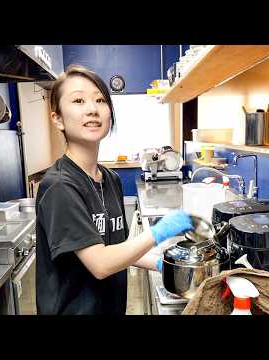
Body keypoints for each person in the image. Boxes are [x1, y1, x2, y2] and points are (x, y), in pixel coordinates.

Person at [35, 64, 193, 315]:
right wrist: (160, 232)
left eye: (100, 100)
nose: (92, 109)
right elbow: (101, 263)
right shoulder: (59, 186)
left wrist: (165, 264)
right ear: (58, 119)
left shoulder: (110, 179)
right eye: (78, 100)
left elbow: (116, 249)